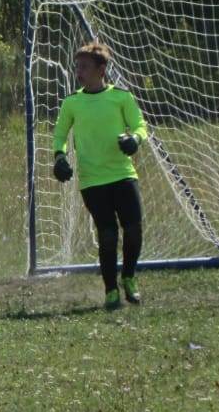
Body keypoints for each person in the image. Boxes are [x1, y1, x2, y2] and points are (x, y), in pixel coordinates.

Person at [53, 42, 150, 309]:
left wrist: (135, 139)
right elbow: (60, 135)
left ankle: (128, 277)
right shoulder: (72, 102)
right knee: (107, 234)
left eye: (84, 67)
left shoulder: (121, 97)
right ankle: (110, 291)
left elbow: (141, 126)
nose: (78, 71)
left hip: (123, 174)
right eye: (77, 66)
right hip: (93, 181)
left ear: (101, 69)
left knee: (133, 229)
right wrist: (59, 157)